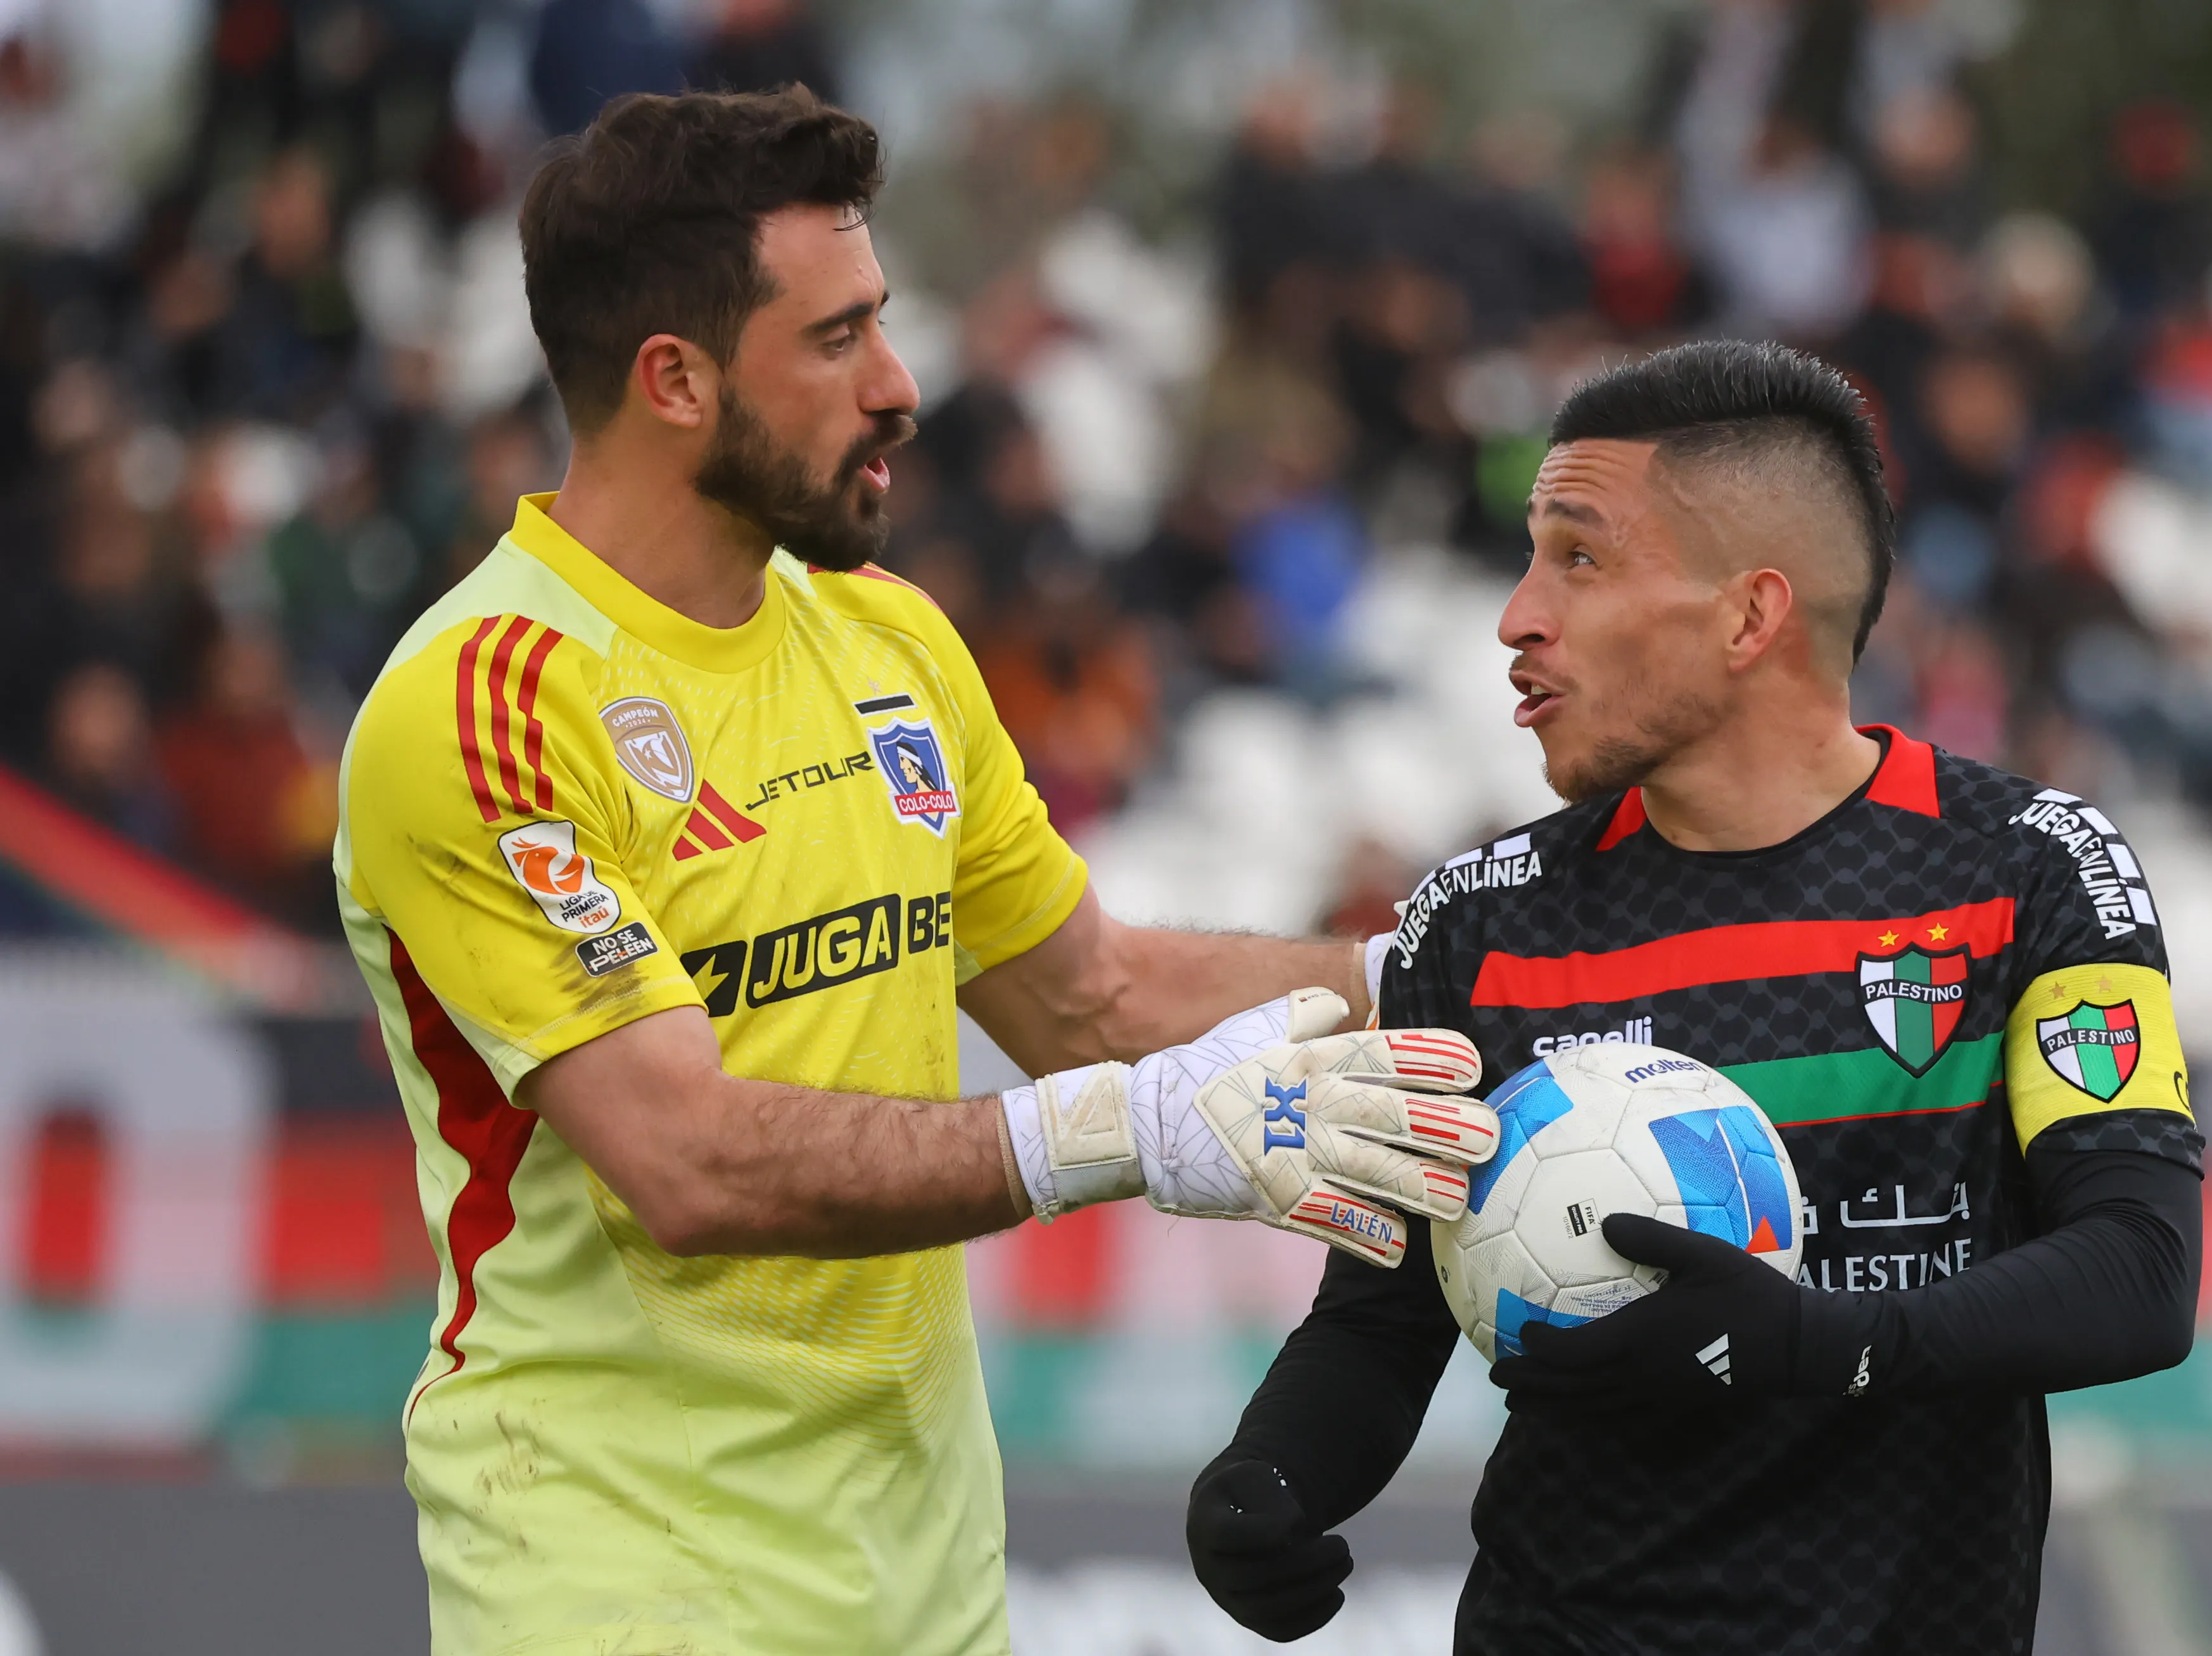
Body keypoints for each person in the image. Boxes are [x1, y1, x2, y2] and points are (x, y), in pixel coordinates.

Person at [331, 89, 1499, 1656]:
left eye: (881, 323)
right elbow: (689, 1161)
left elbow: (1095, 996)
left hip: (930, 1580)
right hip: (623, 1580)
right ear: (672, 379)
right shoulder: (483, 701)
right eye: (834, 342)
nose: (898, 387)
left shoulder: (884, 634)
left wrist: (1449, 966)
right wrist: (1118, 1137)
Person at [1187, 340, 2204, 1653]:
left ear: (1747, 615)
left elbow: (2139, 1268)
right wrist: (1268, 1477)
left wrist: (1819, 1341)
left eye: (1580, 556)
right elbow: (1379, 1316)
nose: (1517, 615)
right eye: (1528, 556)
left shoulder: (2027, 871)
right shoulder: (1480, 922)